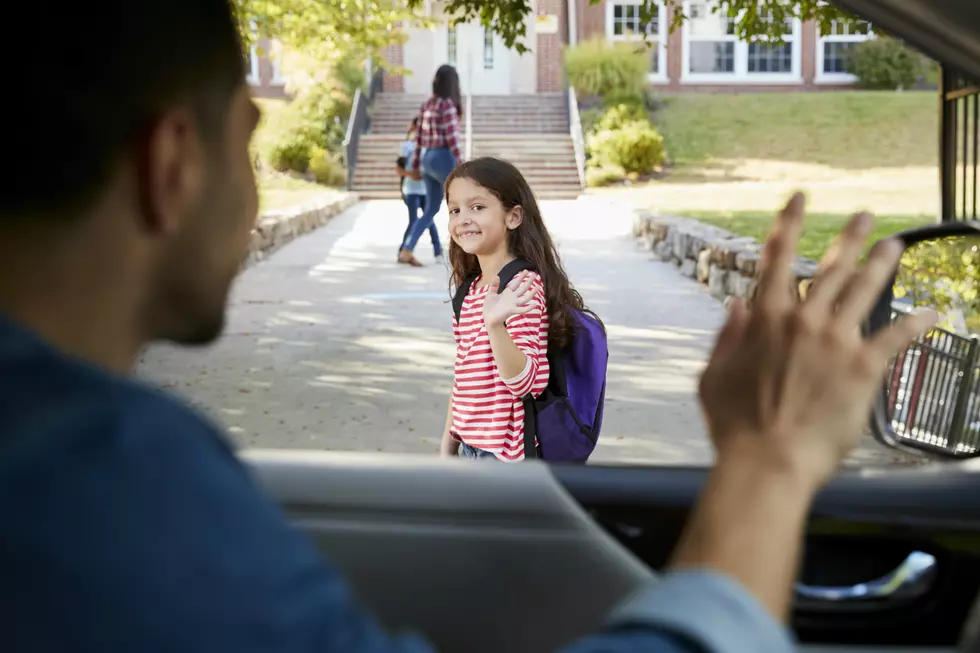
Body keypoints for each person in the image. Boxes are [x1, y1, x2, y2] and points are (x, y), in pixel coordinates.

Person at [0, 1, 937, 651]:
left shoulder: (71, 457)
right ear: (173, 163)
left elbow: (518, 376)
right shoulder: (116, 477)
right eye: (247, 137)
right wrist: (770, 463)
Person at [438, 157, 598, 462]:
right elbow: (464, 375)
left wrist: (496, 326)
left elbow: (527, 383)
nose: (463, 218)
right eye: (455, 210)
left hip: (504, 458)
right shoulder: (470, 291)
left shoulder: (521, 287)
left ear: (513, 217)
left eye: (478, 207)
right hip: (472, 447)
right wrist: (448, 443)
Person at [397, 64, 463, 267]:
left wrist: (416, 165)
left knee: (431, 208)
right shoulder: (448, 106)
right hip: (443, 157)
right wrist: (461, 164)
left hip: (426, 159)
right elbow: (452, 139)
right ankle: (466, 253)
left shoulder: (427, 105)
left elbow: (419, 139)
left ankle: (407, 249)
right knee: (462, 204)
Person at [396, 117, 442, 260]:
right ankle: (404, 249)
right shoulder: (407, 146)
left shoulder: (431, 147)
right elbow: (399, 169)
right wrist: (412, 175)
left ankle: (438, 251)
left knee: (429, 219)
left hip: (427, 189)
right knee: (414, 220)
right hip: (411, 189)